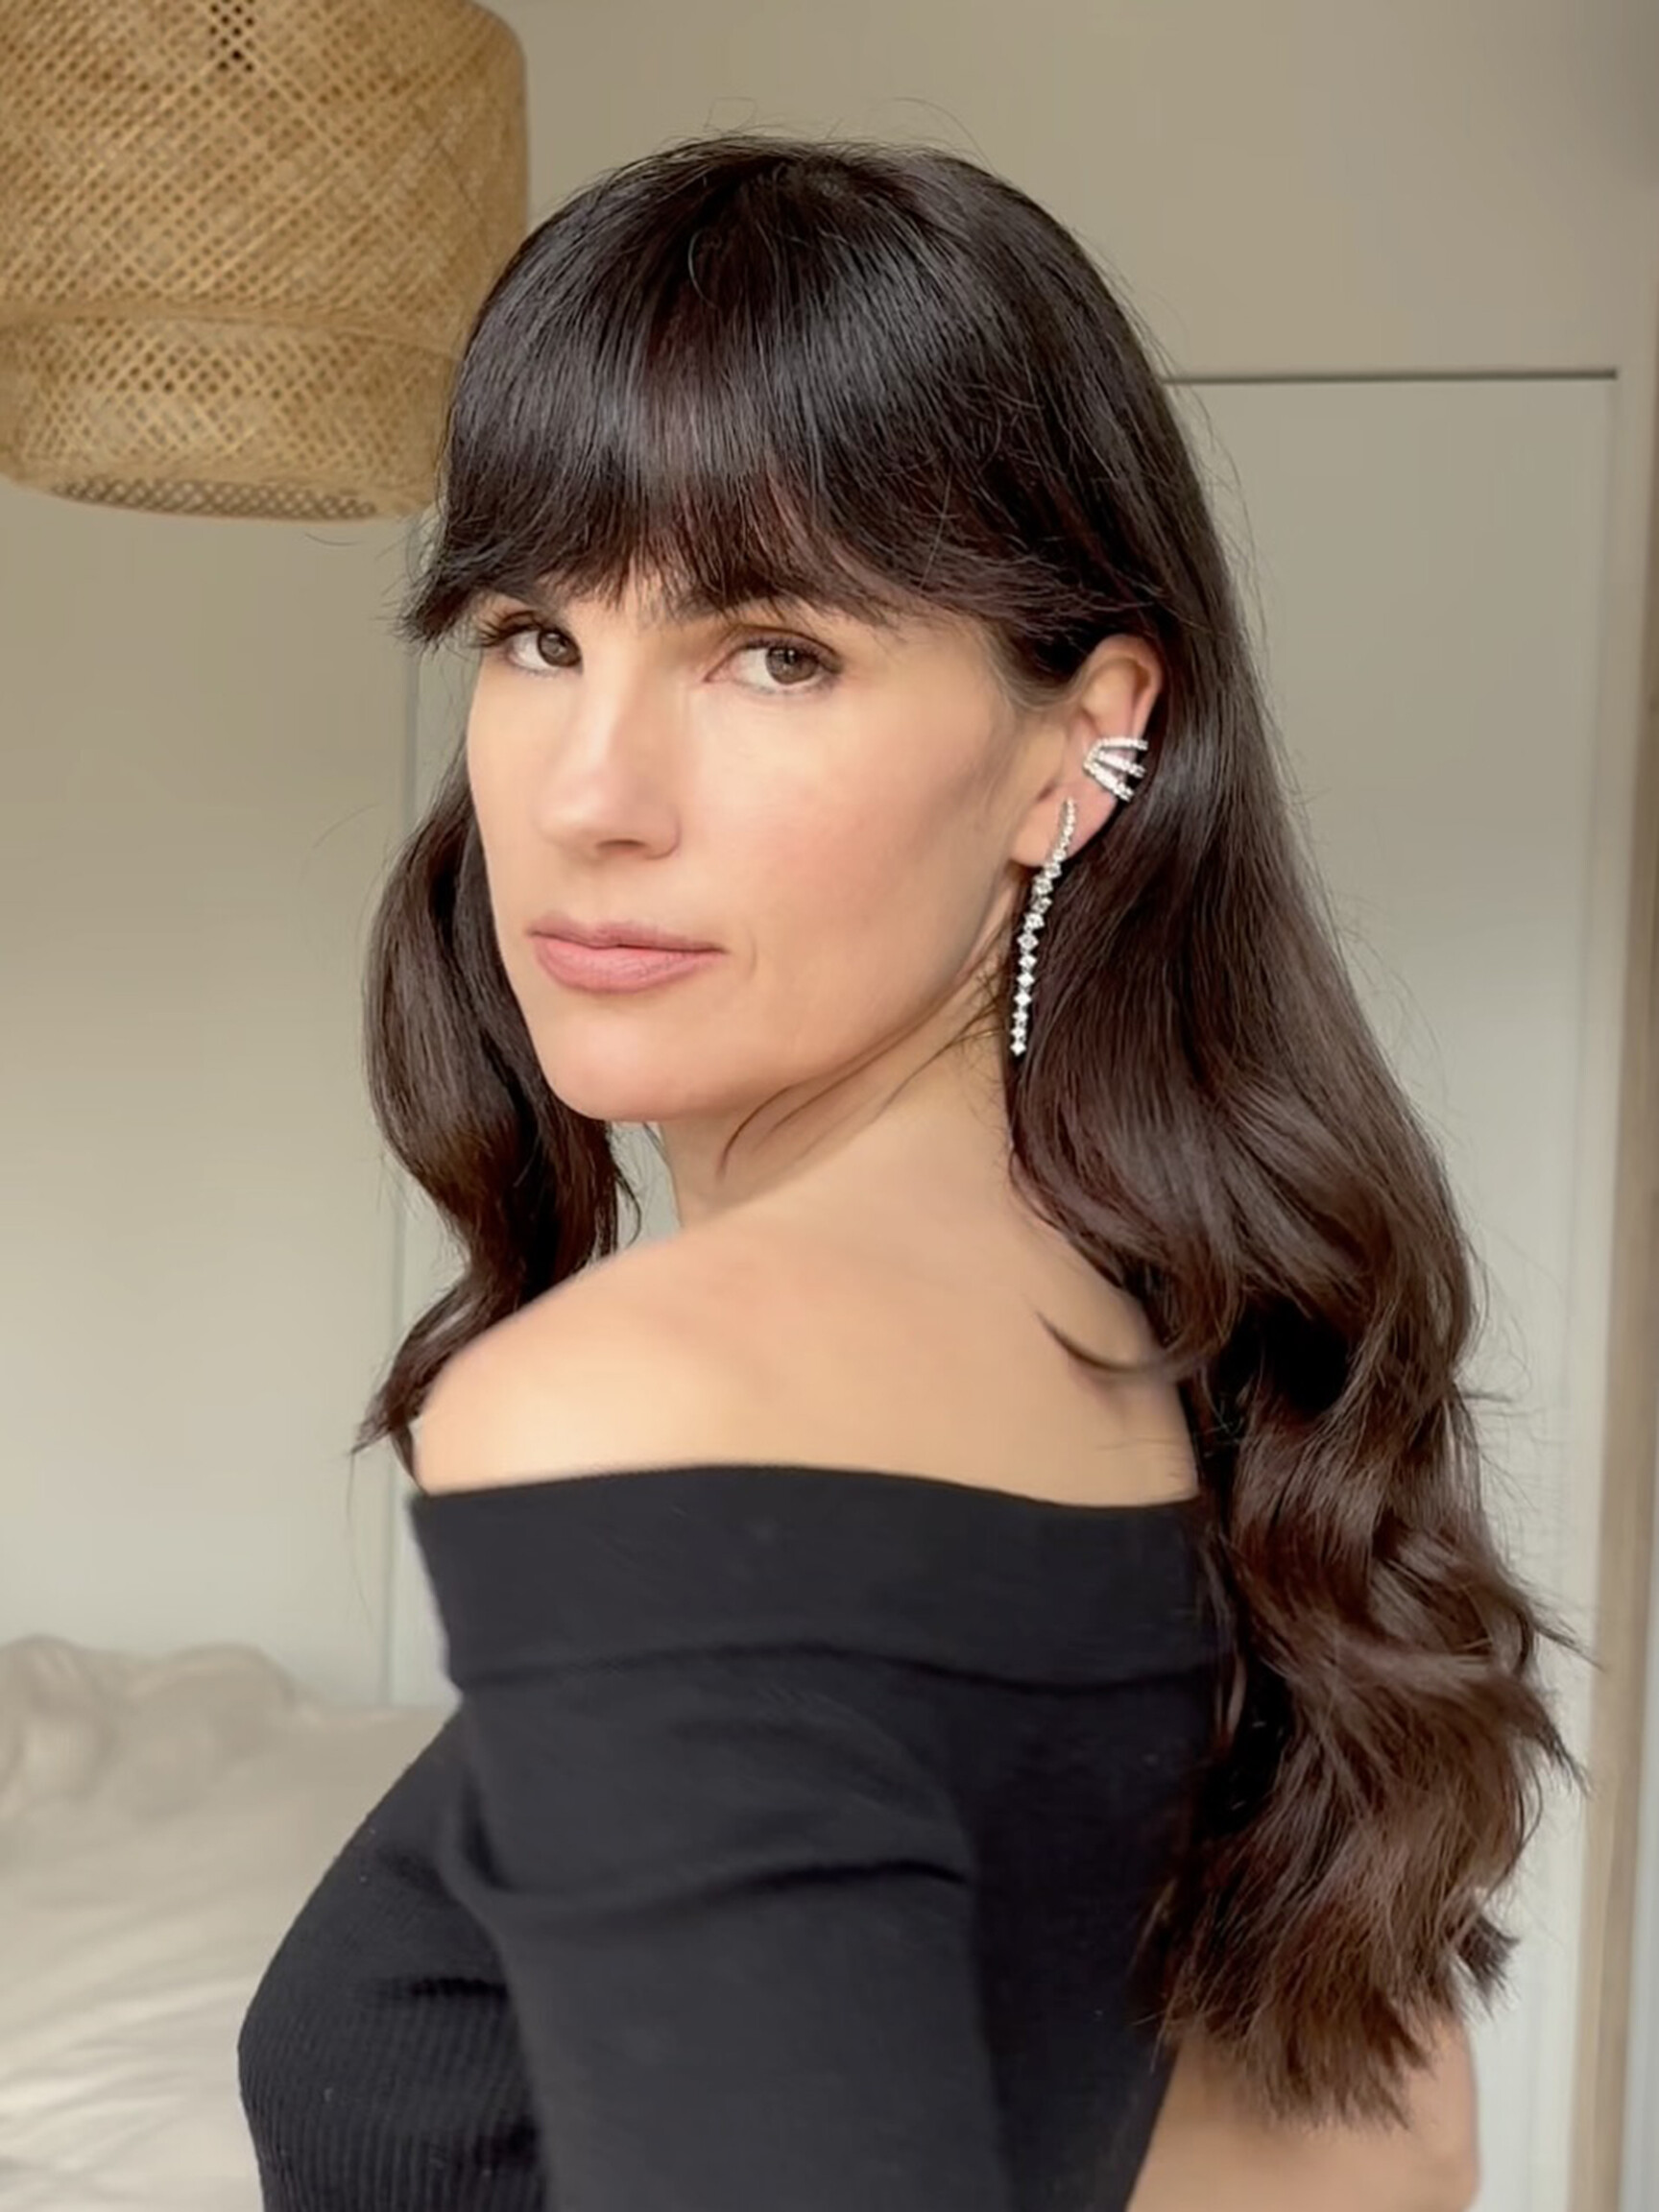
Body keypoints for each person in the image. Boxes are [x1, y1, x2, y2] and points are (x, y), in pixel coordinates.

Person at [238, 132, 1586, 2210]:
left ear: (1080, 747)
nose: (591, 795)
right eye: (531, 634)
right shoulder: (1213, 1390)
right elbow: (1382, 2164)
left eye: (775, 652)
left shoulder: (655, 1402)